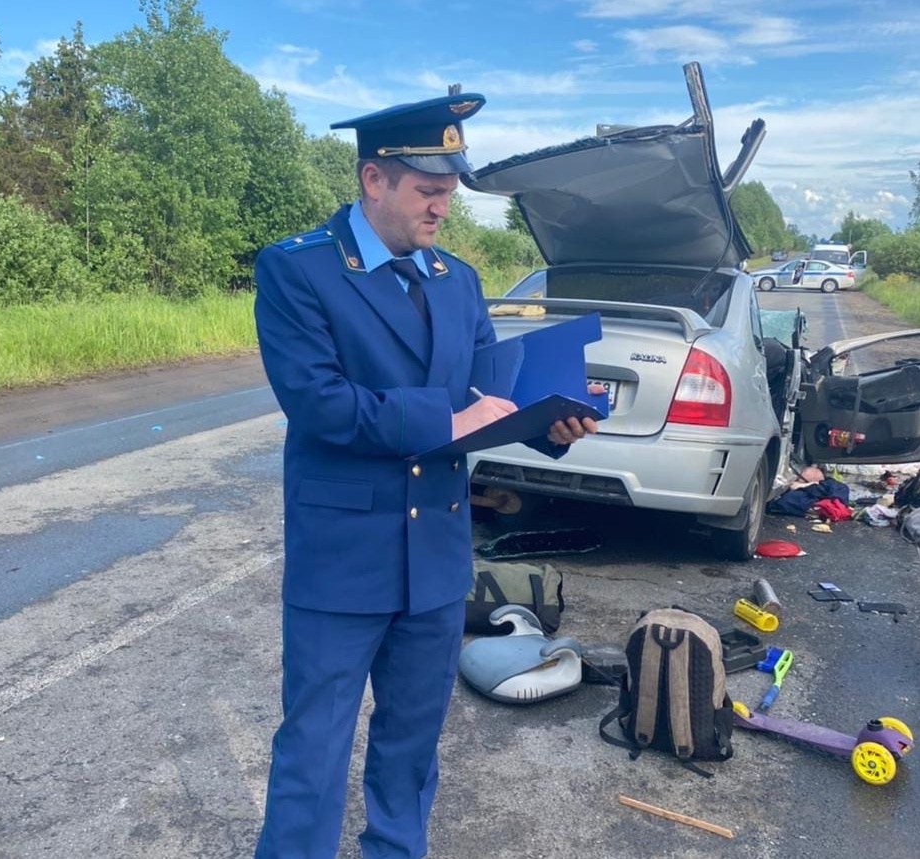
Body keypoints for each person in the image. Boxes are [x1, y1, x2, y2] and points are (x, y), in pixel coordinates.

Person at [252, 91, 599, 859]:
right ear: (373, 179)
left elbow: (488, 399)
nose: (444, 205)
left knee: (410, 753)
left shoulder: (457, 278)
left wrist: (550, 427)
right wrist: (443, 423)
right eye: (428, 189)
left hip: (436, 564)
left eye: (449, 189)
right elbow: (319, 405)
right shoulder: (298, 269)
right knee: (313, 754)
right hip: (343, 562)